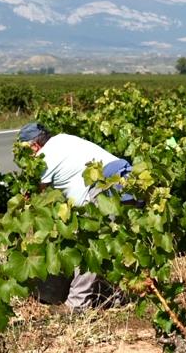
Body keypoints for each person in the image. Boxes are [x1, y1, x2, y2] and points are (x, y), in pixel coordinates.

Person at [19, 122, 122, 309]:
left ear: (34, 146)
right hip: (122, 177)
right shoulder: (63, 139)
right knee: (109, 244)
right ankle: (113, 294)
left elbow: (35, 194)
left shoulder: (44, 157)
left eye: (26, 152)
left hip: (104, 184)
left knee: (88, 245)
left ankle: (77, 305)